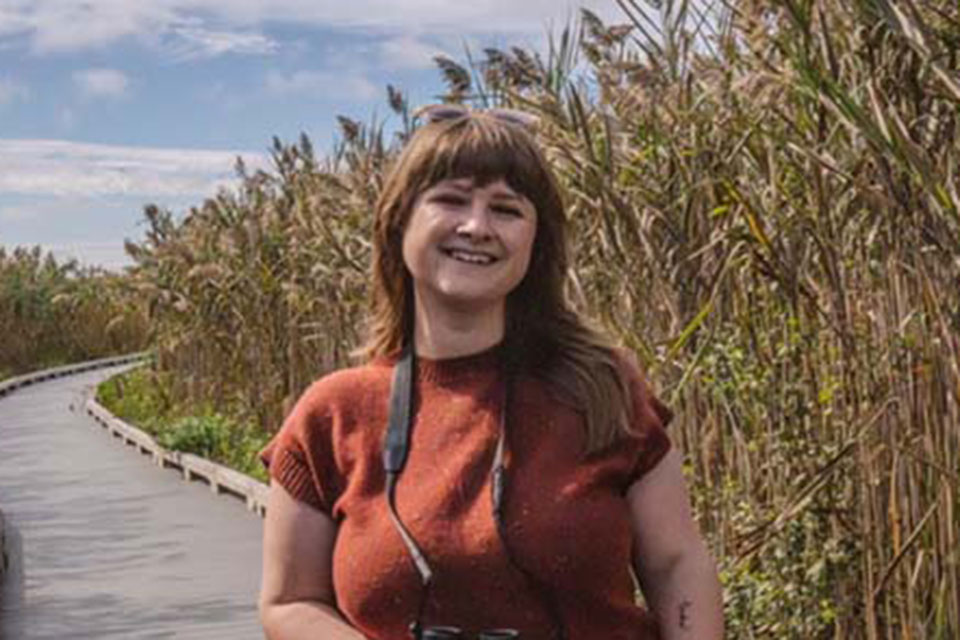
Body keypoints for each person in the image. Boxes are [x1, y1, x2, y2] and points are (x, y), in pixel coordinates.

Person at [258, 104, 723, 639]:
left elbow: (676, 565)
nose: (476, 227)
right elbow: (291, 602)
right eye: (451, 200)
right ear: (398, 222)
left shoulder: (602, 388)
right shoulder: (332, 415)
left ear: (535, 241)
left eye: (506, 209)